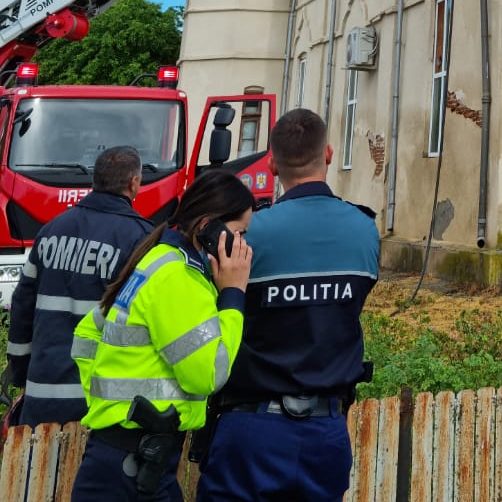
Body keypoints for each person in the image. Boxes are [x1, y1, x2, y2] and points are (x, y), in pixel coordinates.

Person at [196, 108, 380, 502]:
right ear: (328, 155)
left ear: (274, 165)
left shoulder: (249, 234)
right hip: (326, 431)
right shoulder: (365, 230)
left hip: (251, 427)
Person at [68, 169, 253, 502]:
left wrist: (110, 405)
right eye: (239, 232)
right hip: (136, 463)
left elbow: (86, 335)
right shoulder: (180, 279)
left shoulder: (156, 259)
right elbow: (208, 374)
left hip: (121, 457)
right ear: (208, 227)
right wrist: (234, 295)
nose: (243, 245)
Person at [6, 145, 152, 427]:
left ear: (95, 180)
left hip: (41, 395)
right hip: (99, 403)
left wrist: (20, 373)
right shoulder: (141, 240)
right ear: (134, 183)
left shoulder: (50, 231)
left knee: (40, 471)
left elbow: (22, 307)